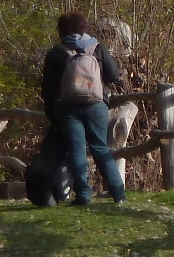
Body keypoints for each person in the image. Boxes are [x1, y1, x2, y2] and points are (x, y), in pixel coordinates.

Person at [39, 12, 126, 206]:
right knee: (100, 148)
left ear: (61, 30)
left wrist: (51, 112)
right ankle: (118, 193)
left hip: (67, 108)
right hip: (96, 105)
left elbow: (48, 87)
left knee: (76, 150)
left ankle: (84, 195)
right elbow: (113, 74)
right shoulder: (97, 48)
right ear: (83, 27)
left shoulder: (56, 53)